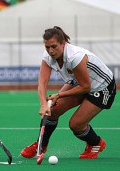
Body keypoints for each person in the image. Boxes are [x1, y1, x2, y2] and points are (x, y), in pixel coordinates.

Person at [20, 26, 116, 163]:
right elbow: (42, 83)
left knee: (76, 124)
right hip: (79, 82)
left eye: (54, 46)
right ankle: (40, 146)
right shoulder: (47, 56)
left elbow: (85, 87)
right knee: (51, 111)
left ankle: (96, 143)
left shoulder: (74, 57)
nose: (50, 51)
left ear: (63, 43)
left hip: (102, 87)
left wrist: (59, 95)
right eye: (47, 47)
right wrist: (43, 105)